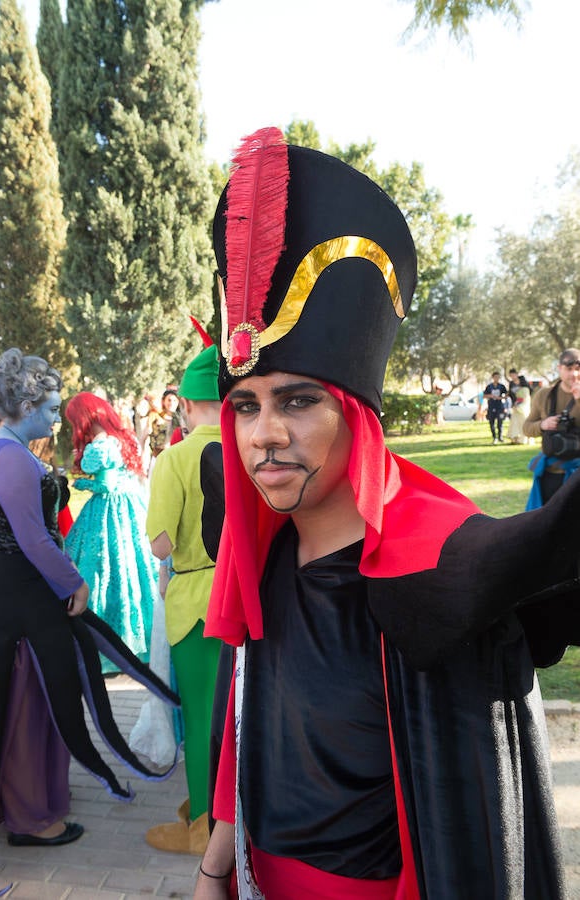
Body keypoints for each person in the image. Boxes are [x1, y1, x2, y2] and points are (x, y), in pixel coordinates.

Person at [194, 128, 580, 899]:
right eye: (245, 406)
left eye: (296, 402)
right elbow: (245, 724)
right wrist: (213, 869)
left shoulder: (434, 578)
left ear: (356, 418)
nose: (263, 434)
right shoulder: (260, 553)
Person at [0, 349, 180, 898]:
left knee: (22, 701)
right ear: (24, 406)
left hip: (11, 594)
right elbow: (33, 537)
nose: (55, 419)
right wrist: (75, 583)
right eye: (49, 409)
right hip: (22, 597)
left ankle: (20, 806)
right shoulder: (11, 456)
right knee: (32, 705)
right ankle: (32, 817)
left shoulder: (3, 447)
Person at [144, 344, 223, 856]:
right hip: (248, 597)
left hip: (195, 604)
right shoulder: (251, 447)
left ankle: (203, 829)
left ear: (188, 405)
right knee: (239, 716)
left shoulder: (174, 458)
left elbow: (160, 545)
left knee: (200, 720)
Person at [65, 392, 159, 672]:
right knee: (133, 569)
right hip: (131, 507)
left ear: (83, 419)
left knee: (103, 568)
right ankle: (140, 642)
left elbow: (106, 485)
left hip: (109, 510)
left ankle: (106, 646)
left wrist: (83, 485)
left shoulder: (101, 445)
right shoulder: (120, 438)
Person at [523, 348, 580, 507]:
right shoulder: (544, 395)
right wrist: (543, 425)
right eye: (569, 369)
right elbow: (526, 427)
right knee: (548, 521)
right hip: (550, 473)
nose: (574, 374)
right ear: (559, 368)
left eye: (578, 369)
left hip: (577, 474)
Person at [507, 367, 532, 444]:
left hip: (523, 406)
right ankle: (515, 438)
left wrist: (520, 402)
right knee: (515, 422)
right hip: (515, 405)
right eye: (511, 375)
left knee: (524, 421)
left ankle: (525, 439)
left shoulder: (523, 383)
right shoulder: (511, 384)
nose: (512, 377)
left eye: (513, 375)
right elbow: (511, 394)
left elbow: (527, 394)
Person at [483, 370, 507, 443]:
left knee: (500, 422)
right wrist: (490, 396)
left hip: (499, 406)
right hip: (491, 406)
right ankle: (494, 437)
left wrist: (500, 398)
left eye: (498, 377)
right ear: (493, 377)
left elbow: (506, 395)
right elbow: (484, 396)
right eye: (495, 377)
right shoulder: (489, 387)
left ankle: (500, 437)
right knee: (491, 422)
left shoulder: (502, 386)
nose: (496, 378)